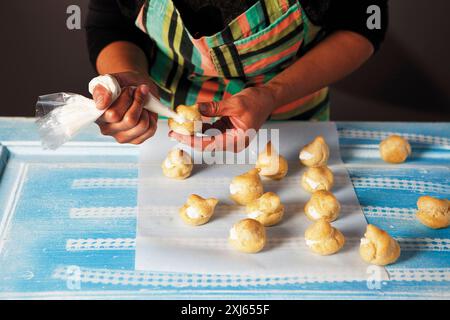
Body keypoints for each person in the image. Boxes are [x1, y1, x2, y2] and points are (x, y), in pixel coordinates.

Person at [86, 0, 388, 150]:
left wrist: (272, 94)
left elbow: (363, 24)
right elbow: (111, 23)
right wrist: (127, 78)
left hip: (292, 124)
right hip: (167, 128)